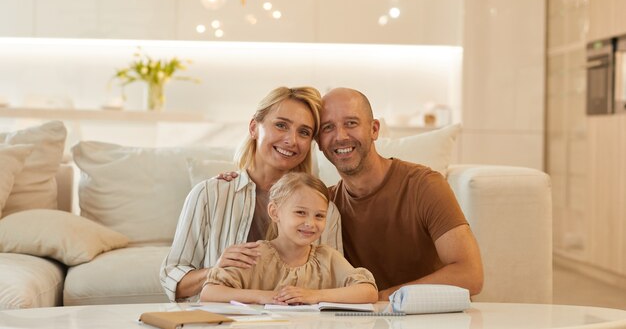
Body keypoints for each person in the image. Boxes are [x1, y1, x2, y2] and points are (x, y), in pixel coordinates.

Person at [160, 86, 343, 302]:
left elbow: (335, 283)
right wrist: (215, 270)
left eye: (303, 132)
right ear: (254, 127)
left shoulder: (325, 210)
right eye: (281, 125)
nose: (291, 140)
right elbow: (174, 281)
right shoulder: (209, 195)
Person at [317, 87, 483, 300]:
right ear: (319, 143)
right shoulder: (325, 208)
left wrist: (382, 298)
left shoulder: (424, 186)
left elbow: (470, 274)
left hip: (427, 318)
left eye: (351, 123)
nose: (340, 136)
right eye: (328, 128)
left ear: (374, 129)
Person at [200, 172, 377, 305]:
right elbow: (209, 292)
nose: (310, 223)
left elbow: (369, 291)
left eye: (319, 216)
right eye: (300, 212)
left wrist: (314, 296)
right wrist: (263, 297)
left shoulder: (327, 258)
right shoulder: (254, 255)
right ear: (274, 212)